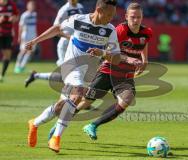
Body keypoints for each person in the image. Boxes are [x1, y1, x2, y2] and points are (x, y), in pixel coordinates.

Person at [27, 0, 141, 153]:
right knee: (78, 95)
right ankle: (56, 138)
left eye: (113, 15)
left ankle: (34, 123)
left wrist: (103, 53)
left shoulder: (110, 30)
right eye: (108, 14)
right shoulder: (79, 20)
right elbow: (57, 29)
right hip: (71, 67)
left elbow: (115, 58)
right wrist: (35, 41)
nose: (111, 18)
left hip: (88, 74)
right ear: (98, 10)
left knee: (62, 106)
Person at [48, 2, 152, 142]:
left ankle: (93, 125)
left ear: (142, 17)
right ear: (126, 16)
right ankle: (59, 125)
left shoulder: (147, 32)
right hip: (107, 71)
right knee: (86, 101)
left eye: (138, 17)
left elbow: (144, 44)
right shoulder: (119, 31)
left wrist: (144, 60)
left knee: (127, 100)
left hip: (125, 75)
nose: (136, 20)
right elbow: (109, 52)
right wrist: (128, 59)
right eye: (132, 17)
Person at [24, 0, 84, 87]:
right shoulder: (64, 10)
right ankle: (67, 98)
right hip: (65, 45)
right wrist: (69, 37)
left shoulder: (80, 7)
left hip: (75, 45)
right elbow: (56, 29)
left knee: (73, 74)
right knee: (67, 75)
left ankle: (35, 75)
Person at [14, 0, 37, 73]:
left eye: (33, 5)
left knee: (29, 51)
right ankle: (17, 66)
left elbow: (34, 26)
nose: (32, 7)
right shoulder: (24, 15)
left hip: (33, 36)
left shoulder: (35, 14)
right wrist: (19, 37)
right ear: (27, 6)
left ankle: (22, 66)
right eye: (30, 5)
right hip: (26, 36)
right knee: (23, 51)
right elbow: (20, 26)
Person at [0, 0, 19, 82]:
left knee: (7, 55)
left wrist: (14, 18)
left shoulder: (12, 4)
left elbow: (17, 16)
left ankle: (2, 75)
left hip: (8, 33)